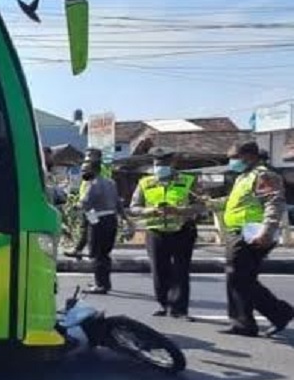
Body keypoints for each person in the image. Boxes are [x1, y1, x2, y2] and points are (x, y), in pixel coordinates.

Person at [221, 141, 294, 337]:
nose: (232, 161)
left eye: (235, 157)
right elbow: (237, 204)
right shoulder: (243, 177)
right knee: (240, 278)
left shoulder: (263, 174)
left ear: (250, 156)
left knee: (237, 277)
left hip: (252, 233)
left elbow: (274, 203)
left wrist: (267, 232)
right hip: (238, 231)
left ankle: (278, 313)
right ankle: (244, 322)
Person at [130, 148, 203, 320]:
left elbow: (201, 206)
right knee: (158, 270)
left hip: (182, 230)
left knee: (180, 271)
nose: (160, 167)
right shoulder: (145, 183)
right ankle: (164, 304)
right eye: (157, 164)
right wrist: (150, 211)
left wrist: (179, 210)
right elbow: (134, 207)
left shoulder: (188, 181)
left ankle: (179, 309)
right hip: (156, 232)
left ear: (172, 164)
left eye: (163, 163)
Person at [78, 159, 124, 294]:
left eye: (85, 170)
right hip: (111, 219)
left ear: (94, 170)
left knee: (96, 253)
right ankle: (105, 282)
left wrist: (77, 206)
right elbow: (118, 202)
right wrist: (125, 218)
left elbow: (85, 203)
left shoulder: (92, 184)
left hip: (97, 220)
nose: (83, 172)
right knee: (105, 253)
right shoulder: (111, 182)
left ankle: (100, 285)